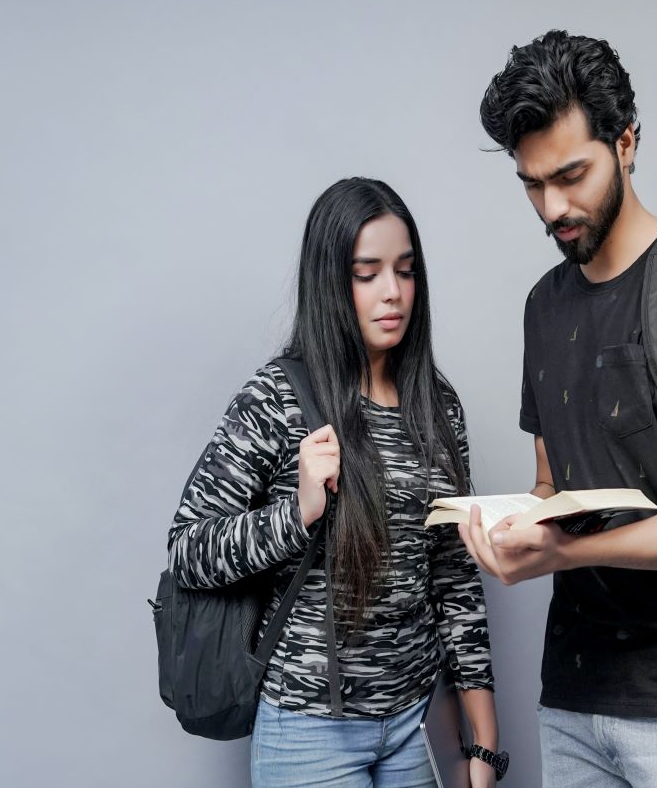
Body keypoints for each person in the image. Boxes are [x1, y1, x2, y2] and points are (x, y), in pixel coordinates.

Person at [459, 31, 657, 787]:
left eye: (571, 174)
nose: (552, 206)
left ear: (626, 143)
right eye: (532, 184)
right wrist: (513, 531)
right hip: (570, 704)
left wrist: (569, 553)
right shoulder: (543, 305)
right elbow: (551, 486)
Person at [168, 177, 502, 788]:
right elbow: (188, 552)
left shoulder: (438, 404)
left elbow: (455, 576)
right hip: (307, 730)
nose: (393, 292)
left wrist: (483, 743)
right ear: (330, 281)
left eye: (405, 270)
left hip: (418, 725)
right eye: (366, 273)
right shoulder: (277, 398)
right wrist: (296, 516)